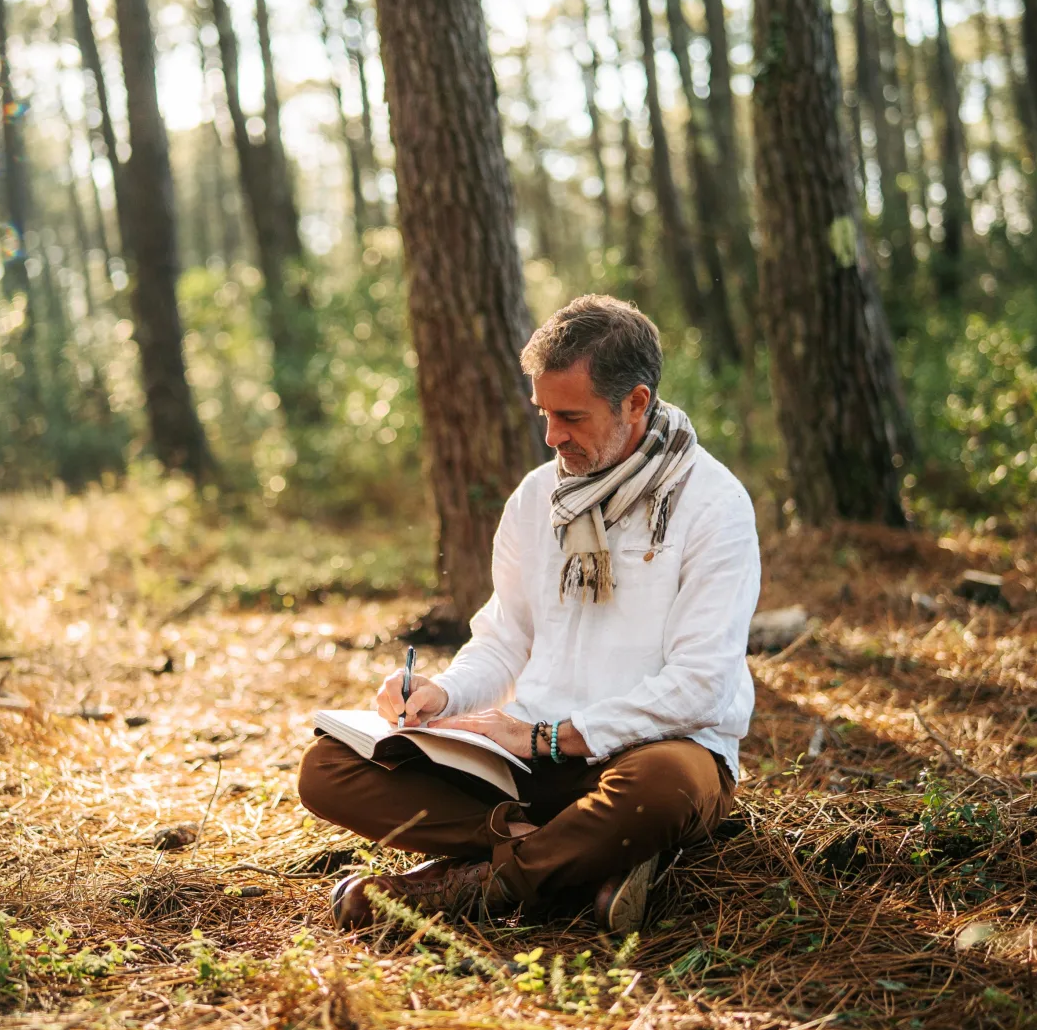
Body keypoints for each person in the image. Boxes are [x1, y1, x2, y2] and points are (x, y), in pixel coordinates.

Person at [298, 295, 759, 932]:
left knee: (664, 787)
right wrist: (443, 692)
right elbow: (504, 637)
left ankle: (469, 885)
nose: (551, 437)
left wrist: (553, 737)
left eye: (571, 416)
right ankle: (575, 855)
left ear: (636, 402)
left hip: (649, 756)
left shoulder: (714, 504)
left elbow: (701, 685)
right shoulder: (536, 497)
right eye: (544, 413)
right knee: (328, 768)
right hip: (526, 765)